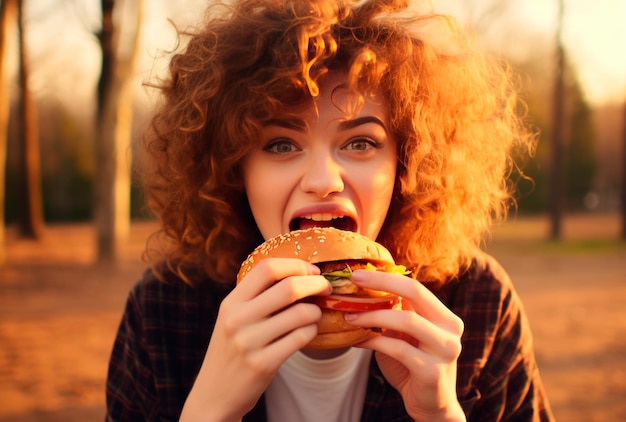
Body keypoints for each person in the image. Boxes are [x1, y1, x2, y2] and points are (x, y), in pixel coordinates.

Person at [105, 0, 555, 420]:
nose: (323, 179)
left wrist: (440, 415)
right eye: (281, 144)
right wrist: (208, 411)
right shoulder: (163, 309)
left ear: (406, 164)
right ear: (232, 169)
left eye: (360, 143)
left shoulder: (477, 303)